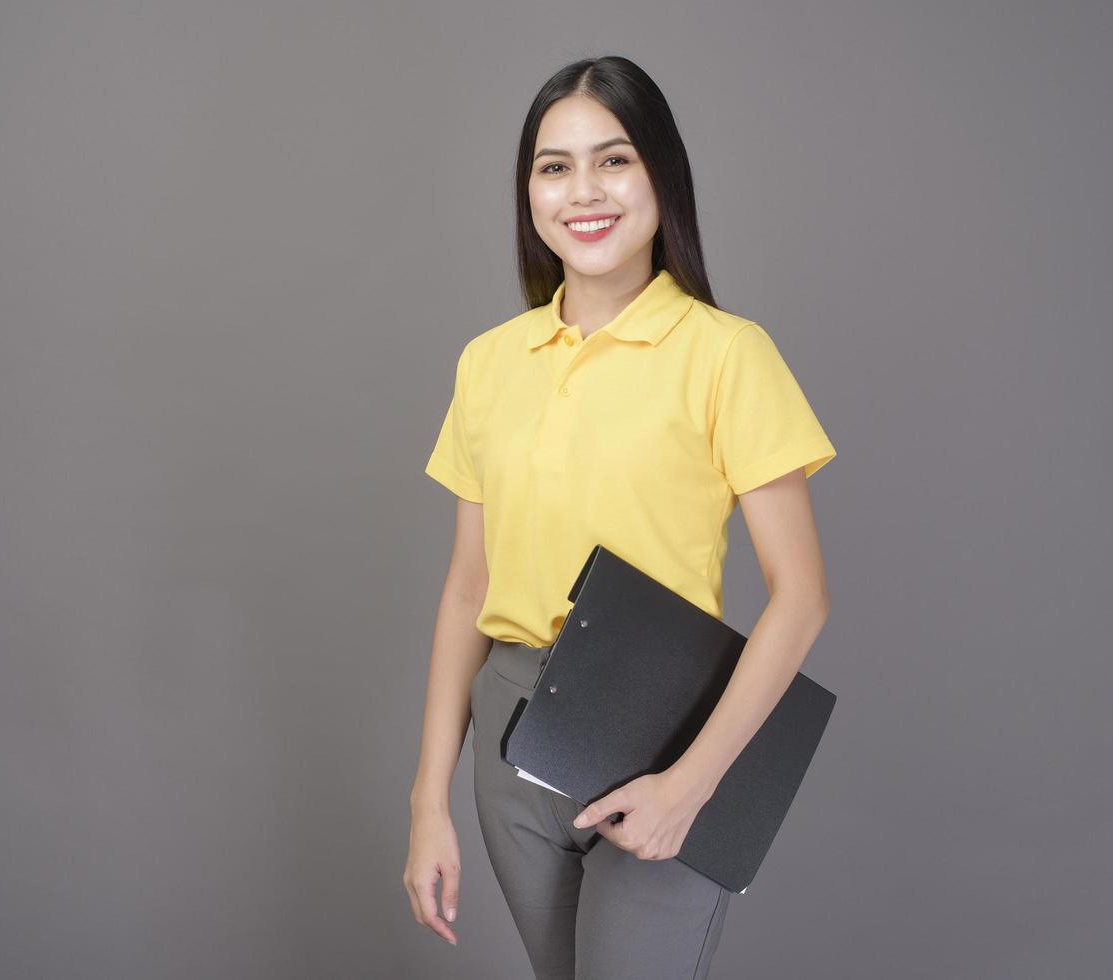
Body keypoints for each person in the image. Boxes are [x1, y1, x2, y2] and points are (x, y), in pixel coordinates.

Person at [403, 54, 838, 979]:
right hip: (513, 737)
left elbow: (800, 599)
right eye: (553, 166)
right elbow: (465, 590)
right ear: (529, 192)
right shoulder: (489, 362)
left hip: (666, 730)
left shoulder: (727, 355)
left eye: (615, 159)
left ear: (661, 177)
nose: (582, 192)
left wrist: (692, 784)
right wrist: (426, 803)